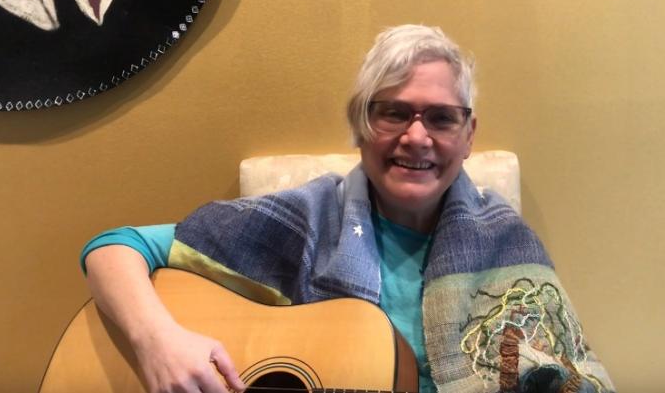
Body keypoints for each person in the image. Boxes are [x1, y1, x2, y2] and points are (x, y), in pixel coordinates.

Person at [81, 24, 614, 393]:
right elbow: (113, 247)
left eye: (441, 118)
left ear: (468, 135)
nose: (416, 137)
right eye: (393, 113)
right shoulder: (302, 218)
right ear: (360, 126)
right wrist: (158, 342)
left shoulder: (508, 240)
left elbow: (565, 373)